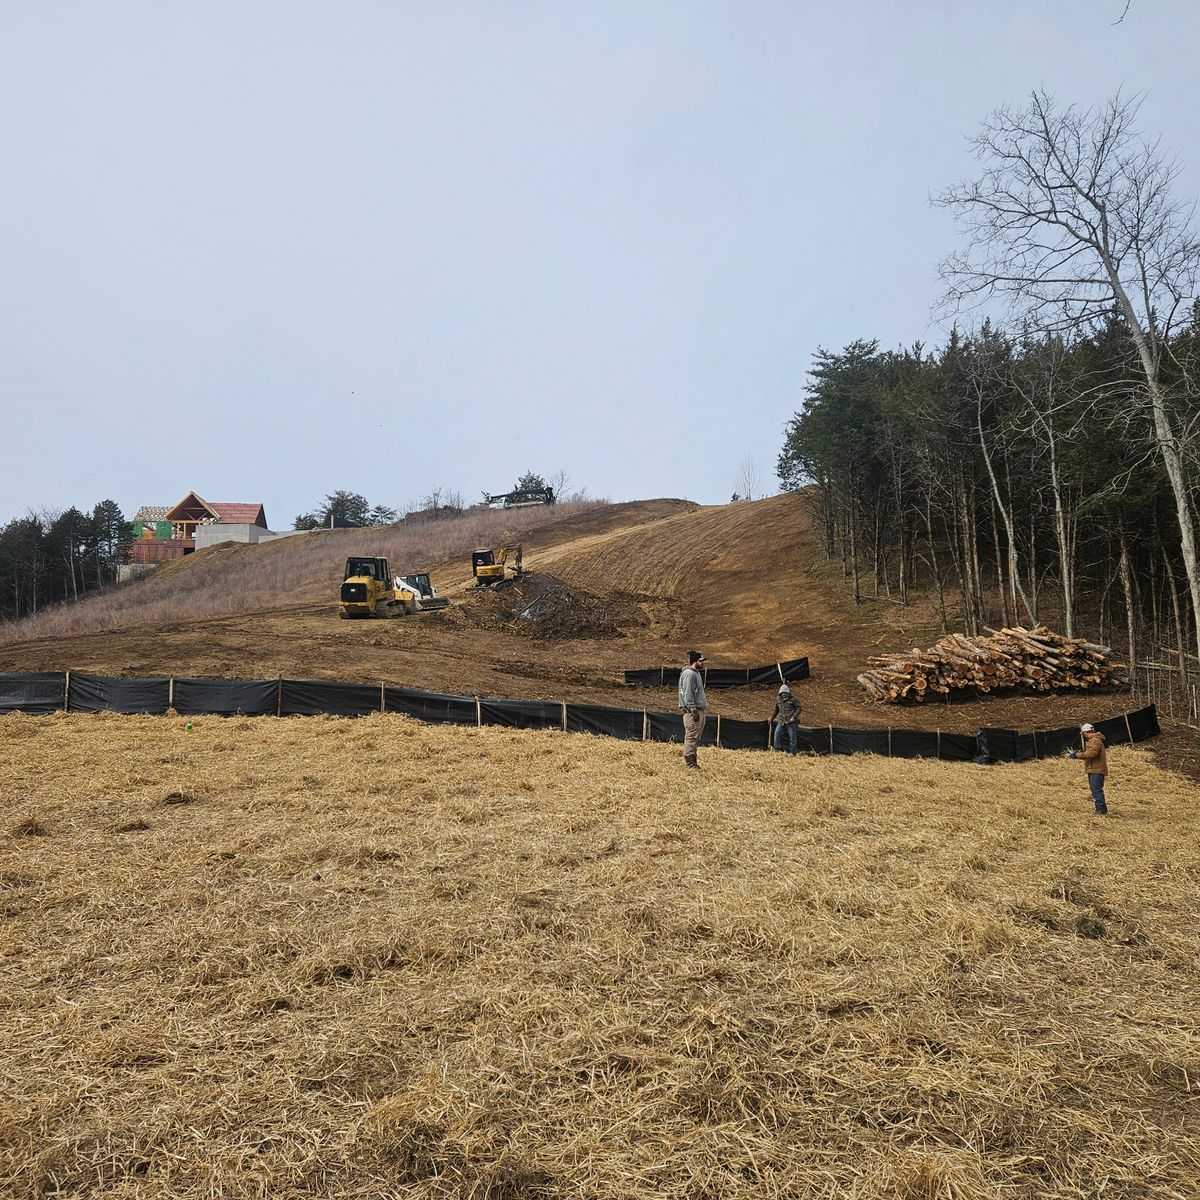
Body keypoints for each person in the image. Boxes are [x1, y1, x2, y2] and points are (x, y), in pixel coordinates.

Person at [1069, 722, 1109, 815]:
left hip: (1096, 769)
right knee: (1096, 790)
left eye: (1084, 734)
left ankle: (1101, 811)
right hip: (1095, 769)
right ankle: (1101, 809)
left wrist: (1076, 755)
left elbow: (1091, 754)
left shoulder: (1094, 740)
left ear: (1086, 733)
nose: (1084, 736)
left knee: (1096, 790)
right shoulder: (1095, 740)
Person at [678, 650, 708, 769]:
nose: (703, 663)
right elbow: (688, 693)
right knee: (691, 737)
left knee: (695, 737)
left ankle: (693, 761)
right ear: (695, 661)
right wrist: (693, 709)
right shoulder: (690, 674)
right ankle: (690, 763)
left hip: (697, 709)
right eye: (701, 661)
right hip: (692, 712)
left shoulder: (696, 673)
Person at [769, 683, 801, 754]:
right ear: (780, 693)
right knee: (777, 734)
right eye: (782, 693)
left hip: (791, 721)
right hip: (781, 721)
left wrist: (794, 717)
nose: (784, 694)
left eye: (785, 693)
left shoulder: (793, 699)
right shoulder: (778, 699)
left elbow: (799, 708)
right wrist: (771, 718)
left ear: (788, 692)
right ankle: (777, 750)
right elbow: (776, 710)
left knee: (792, 737)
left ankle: (792, 752)